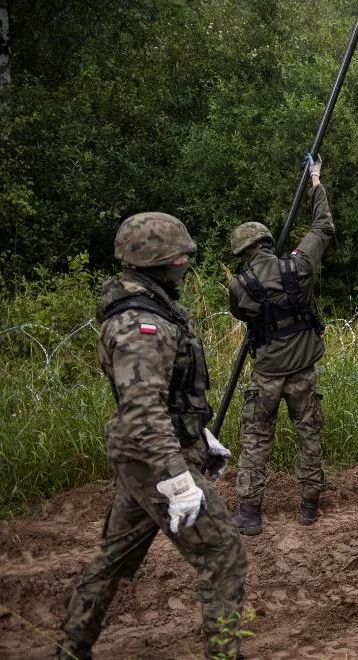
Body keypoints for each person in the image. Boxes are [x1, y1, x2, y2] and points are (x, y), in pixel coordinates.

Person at [58, 213, 246, 659]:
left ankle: (71, 649)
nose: (185, 260)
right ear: (153, 261)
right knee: (223, 554)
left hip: (150, 452)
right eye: (177, 254)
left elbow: (164, 395)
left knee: (113, 559)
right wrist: (178, 480)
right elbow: (143, 411)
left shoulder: (153, 307)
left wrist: (196, 432)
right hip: (153, 458)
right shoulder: (140, 323)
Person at [227, 154, 333, 534]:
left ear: (242, 253)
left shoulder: (239, 287)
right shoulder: (300, 265)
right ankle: (308, 506)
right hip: (303, 370)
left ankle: (250, 512)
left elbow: (244, 316)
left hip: (267, 373)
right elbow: (323, 226)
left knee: (256, 439)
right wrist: (315, 181)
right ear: (269, 242)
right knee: (308, 434)